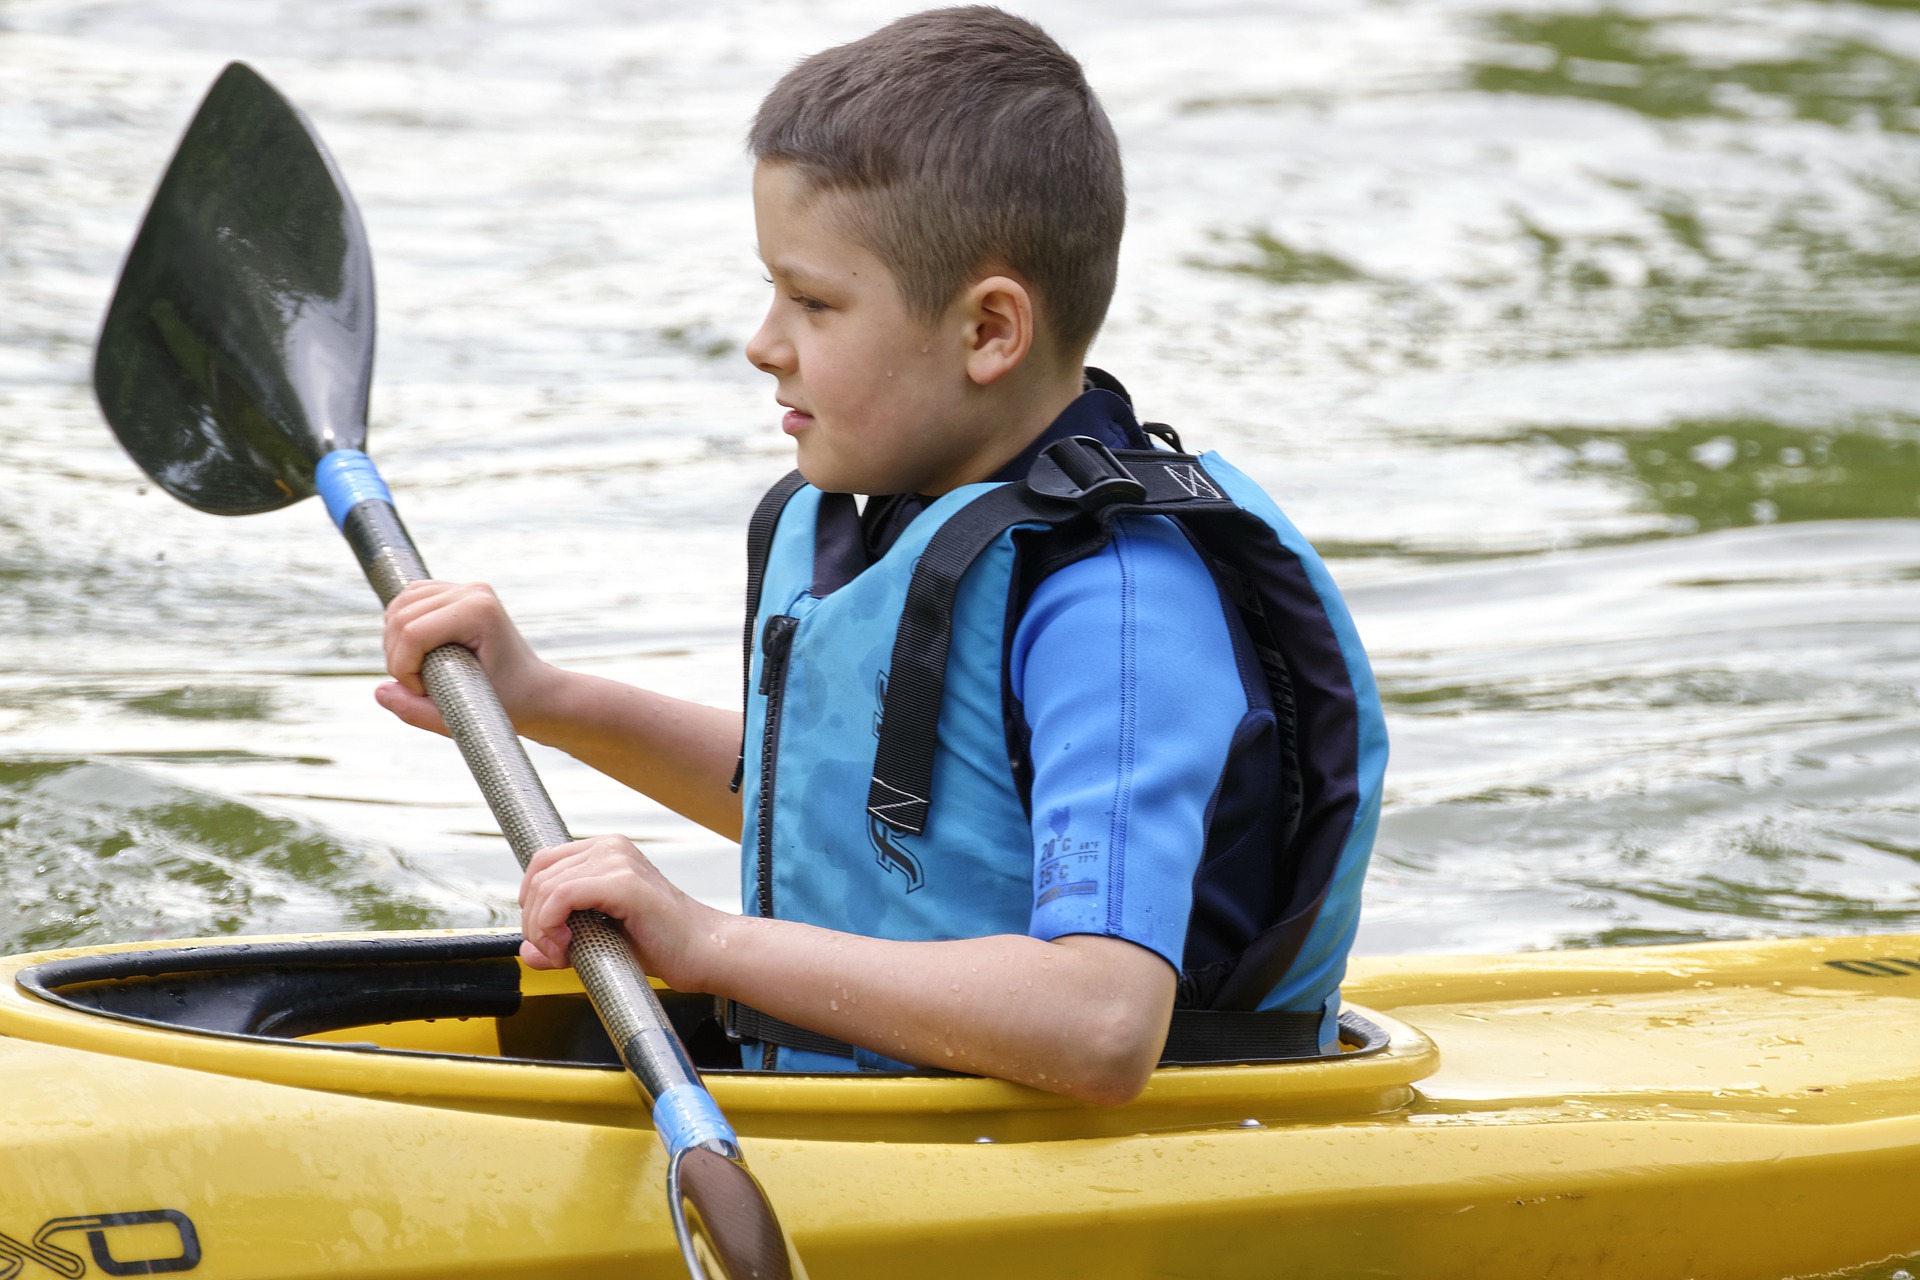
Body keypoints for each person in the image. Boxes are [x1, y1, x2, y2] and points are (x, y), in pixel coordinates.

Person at [377, 6, 1385, 1106]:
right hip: (873, 1105)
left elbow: (1101, 1022)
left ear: (989, 331)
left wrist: (706, 939)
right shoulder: (903, 514)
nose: (763, 342)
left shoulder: (1117, 606)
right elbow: (840, 805)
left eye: (811, 301)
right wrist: (548, 697)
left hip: (1091, 1157)